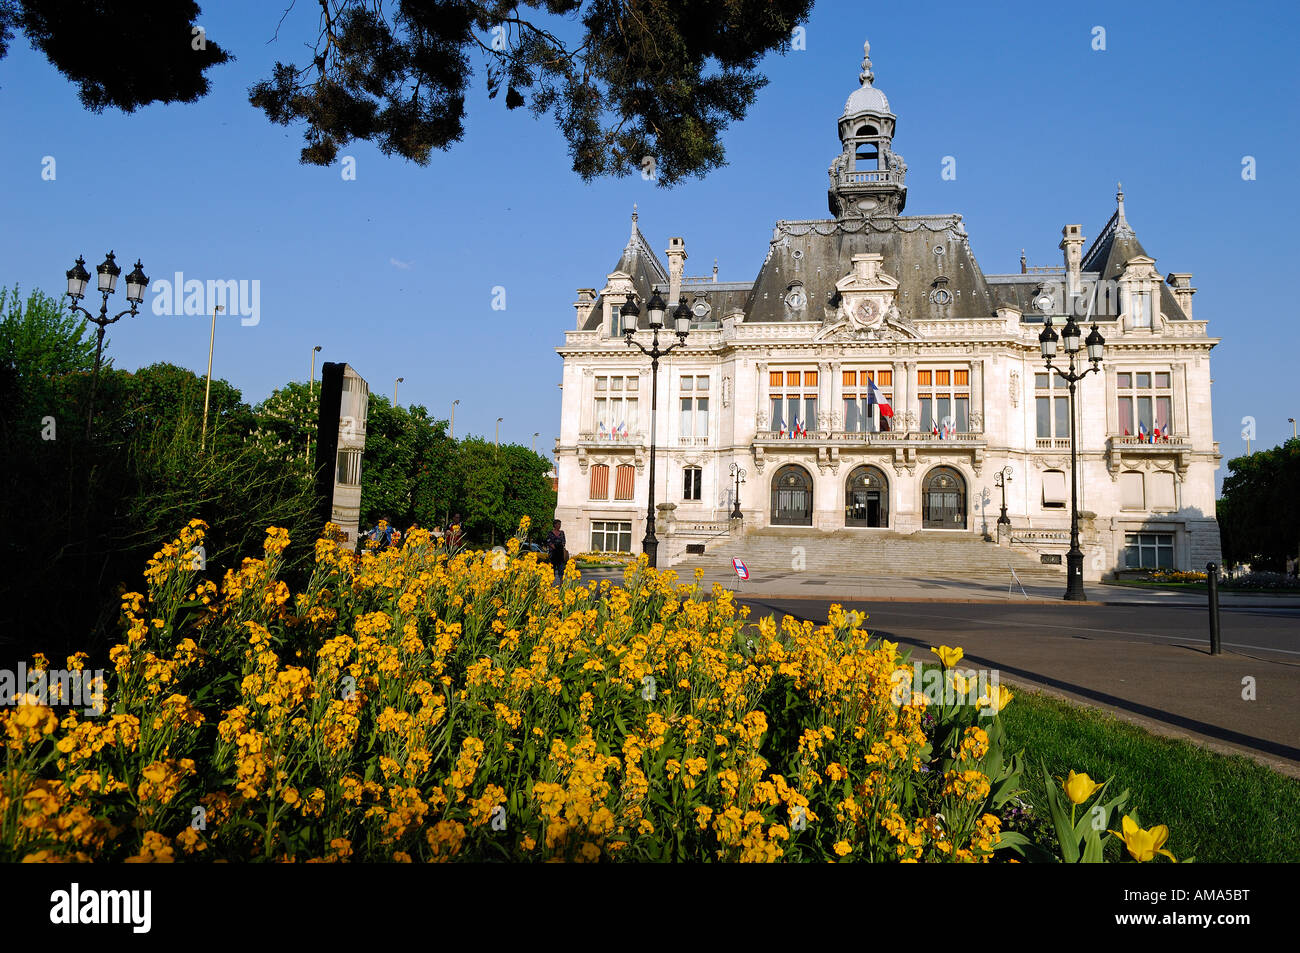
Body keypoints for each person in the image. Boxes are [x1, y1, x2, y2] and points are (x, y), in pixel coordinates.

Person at [546, 519, 567, 584]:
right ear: (554, 525)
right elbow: (548, 541)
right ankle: (550, 583)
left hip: (560, 553)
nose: (559, 526)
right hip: (553, 553)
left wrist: (561, 546)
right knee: (552, 569)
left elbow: (564, 541)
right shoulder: (550, 533)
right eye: (558, 524)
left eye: (560, 524)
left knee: (561, 568)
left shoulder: (562, 533)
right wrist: (554, 546)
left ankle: (561, 584)